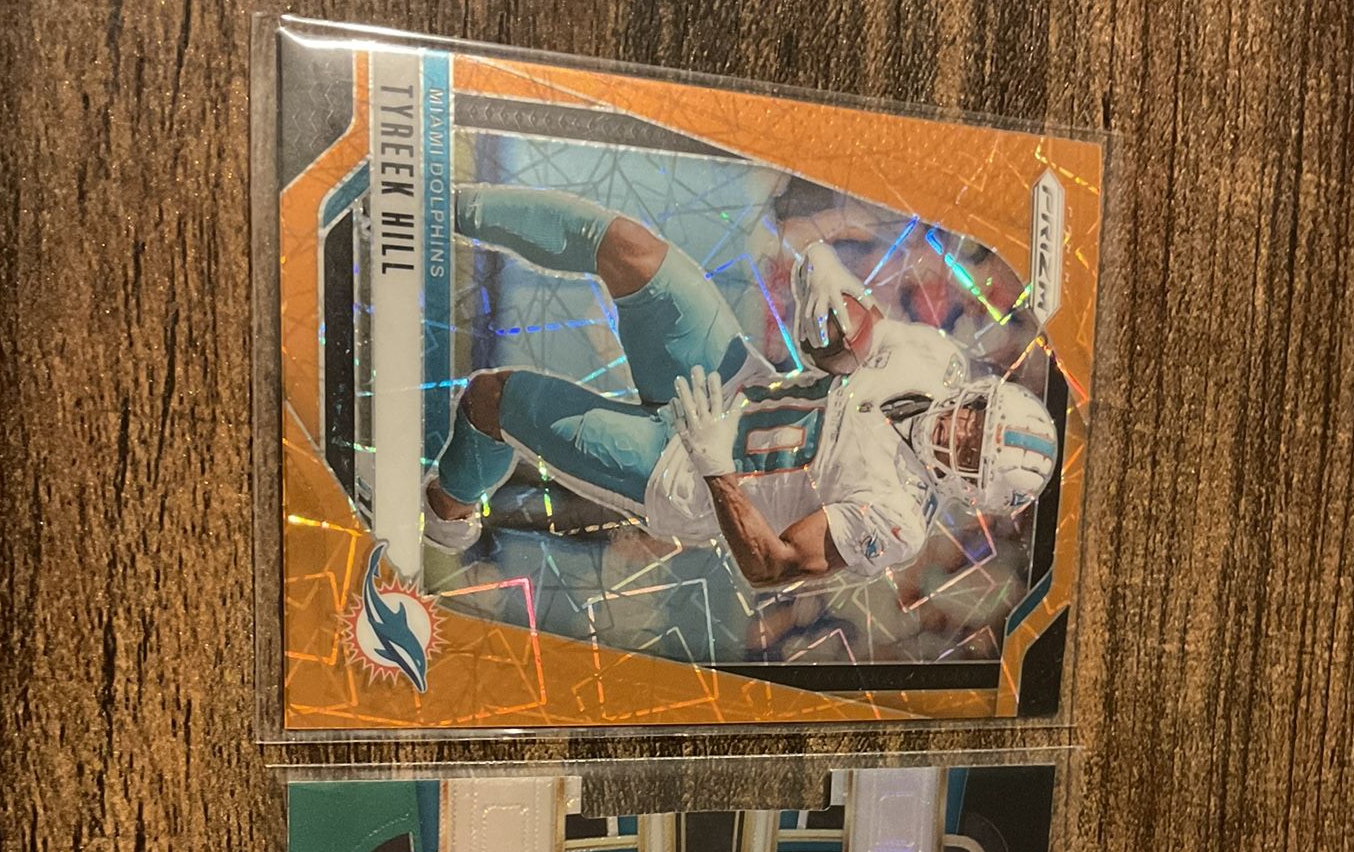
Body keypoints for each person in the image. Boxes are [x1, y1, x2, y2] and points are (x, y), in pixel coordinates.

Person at [423, 185, 1060, 590]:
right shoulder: (936, 361)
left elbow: (770, 565)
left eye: (971, 449)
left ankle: (442, 517)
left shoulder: (896, 521)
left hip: (684, 474)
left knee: (491, 399)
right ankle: (442, 204)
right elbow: (842, 351)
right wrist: (826, 280)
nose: (959, 429)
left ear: (966, 488)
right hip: (735, 381)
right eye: (977, 418)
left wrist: (714, 467)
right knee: (629, 248)